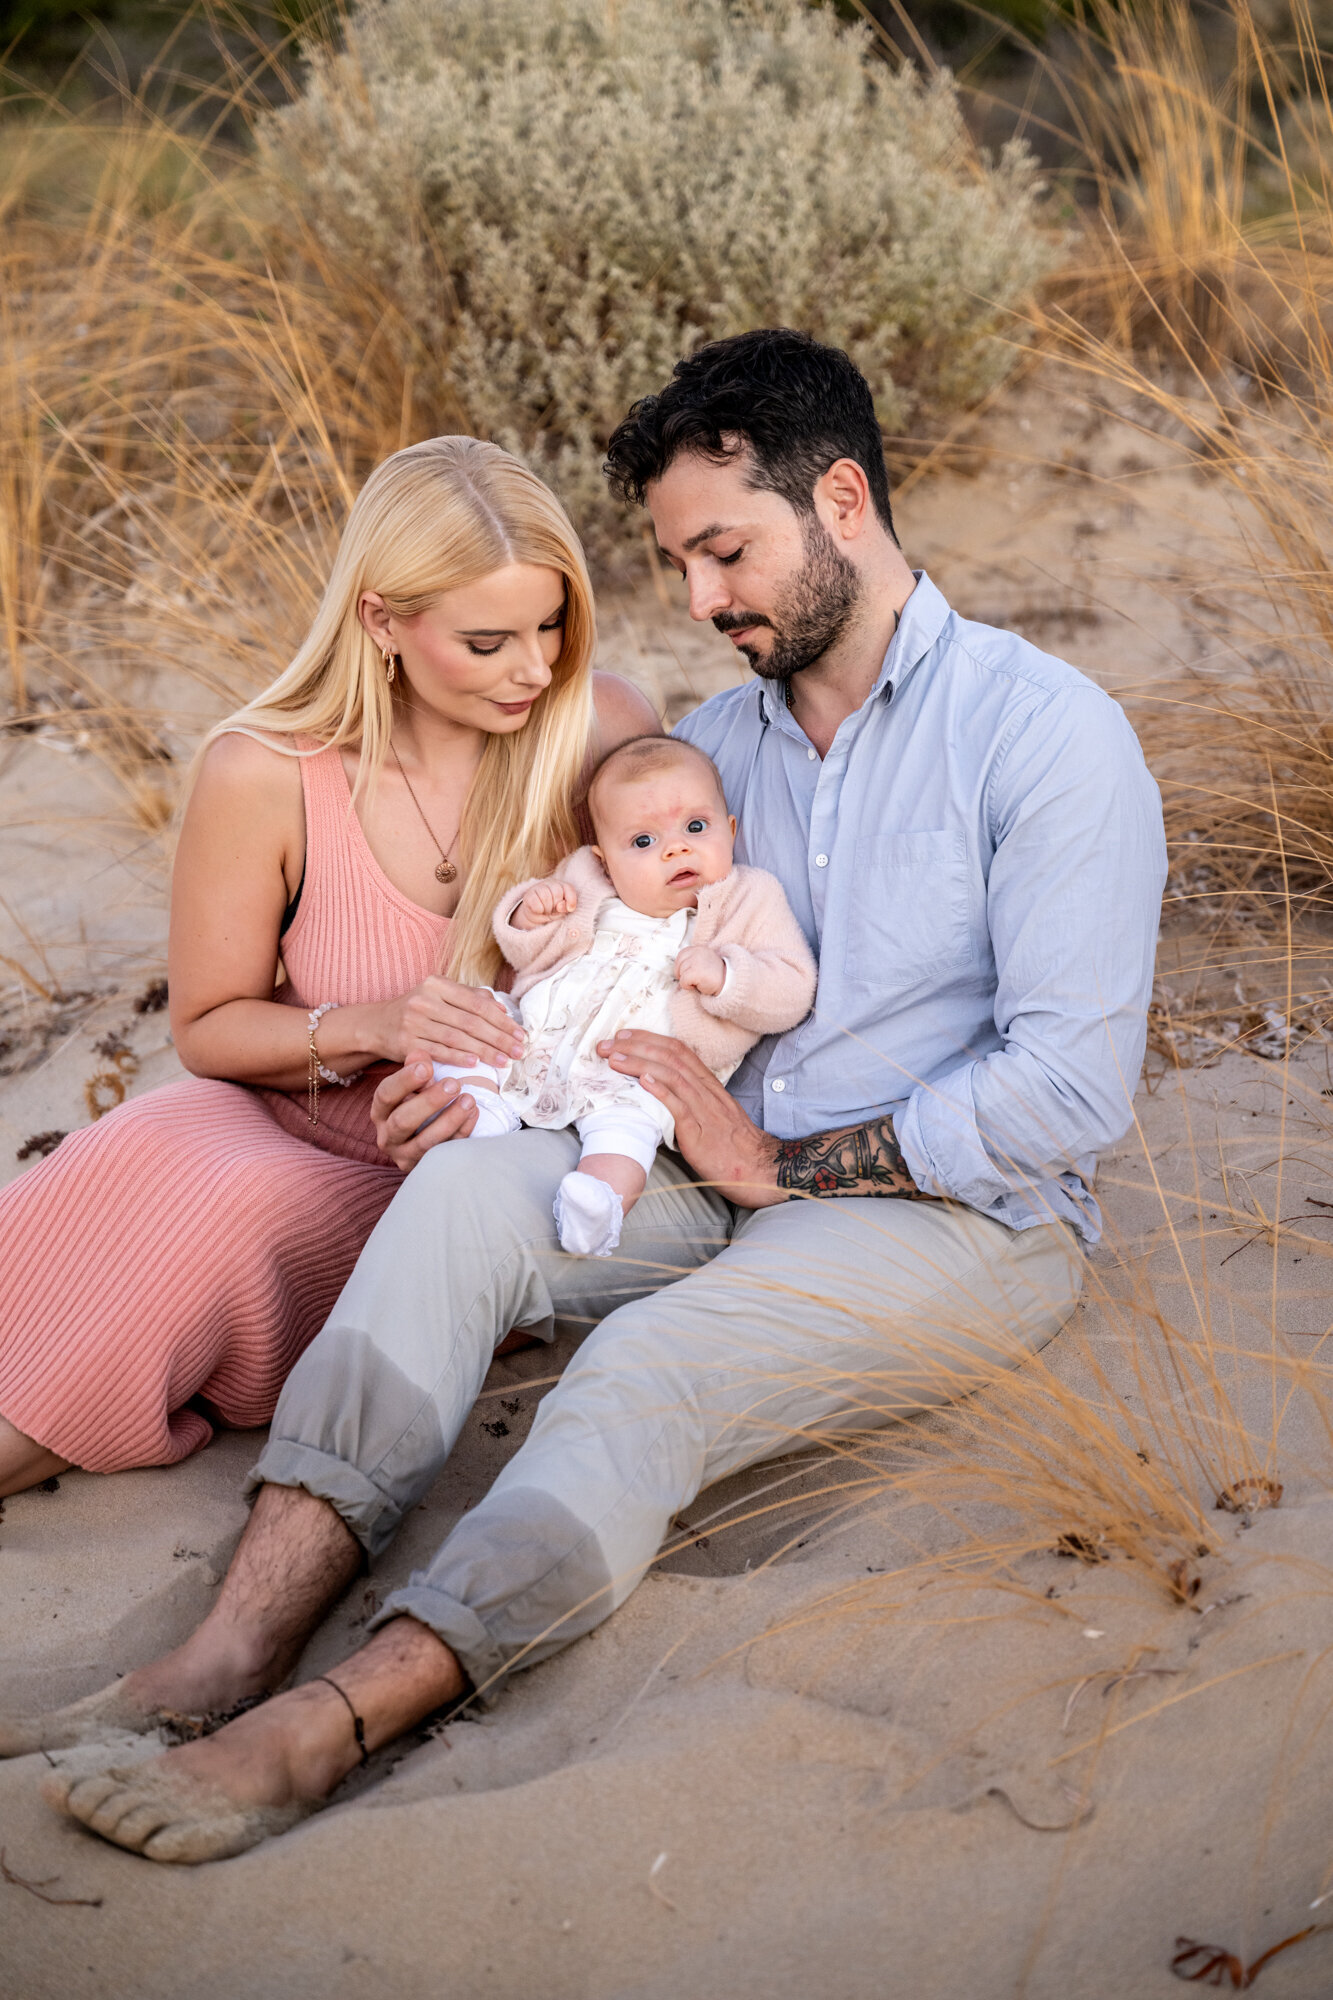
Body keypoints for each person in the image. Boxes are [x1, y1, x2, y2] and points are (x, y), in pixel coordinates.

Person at [21, 329, 1166, 1867]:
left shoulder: (1044, 736)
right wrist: (505, 1064)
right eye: (675, 564)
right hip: (692, 1153)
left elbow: (1067, 1095)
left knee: (642, 1373)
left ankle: (334, 1720)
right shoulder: (708, 747)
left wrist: (780, 1158)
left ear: (841, 499)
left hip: (942, 1209)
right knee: (455, 1207)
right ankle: (239, 1639)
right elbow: (584, 949)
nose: (700, 601)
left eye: (723, 552)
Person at [0, 434, 657, 1498]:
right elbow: (210, 1026)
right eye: (488, 640)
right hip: (264, 1109)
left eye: (551, 624)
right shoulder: (263, 769)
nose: (534, 667)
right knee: (107, 1177)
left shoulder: (602, 731)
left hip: (445, 1176)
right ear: (379, 619)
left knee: (213, 1231)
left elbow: (663, 958)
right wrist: (371, 1025)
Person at [435, 733, 816, 1256]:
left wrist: (728, 975)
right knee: (483, 1016)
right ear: (604, 860)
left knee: (626, 1131)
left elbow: (793, 986)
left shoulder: (749, 897)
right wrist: (529, 911)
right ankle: (482, 1111)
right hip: (545, 1034)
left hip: (637, 1072)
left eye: (696, 828)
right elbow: (527, 953)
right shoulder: (587, 881)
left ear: (730, 831)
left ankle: (598, 1206)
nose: (676, 848)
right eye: (643, 842)